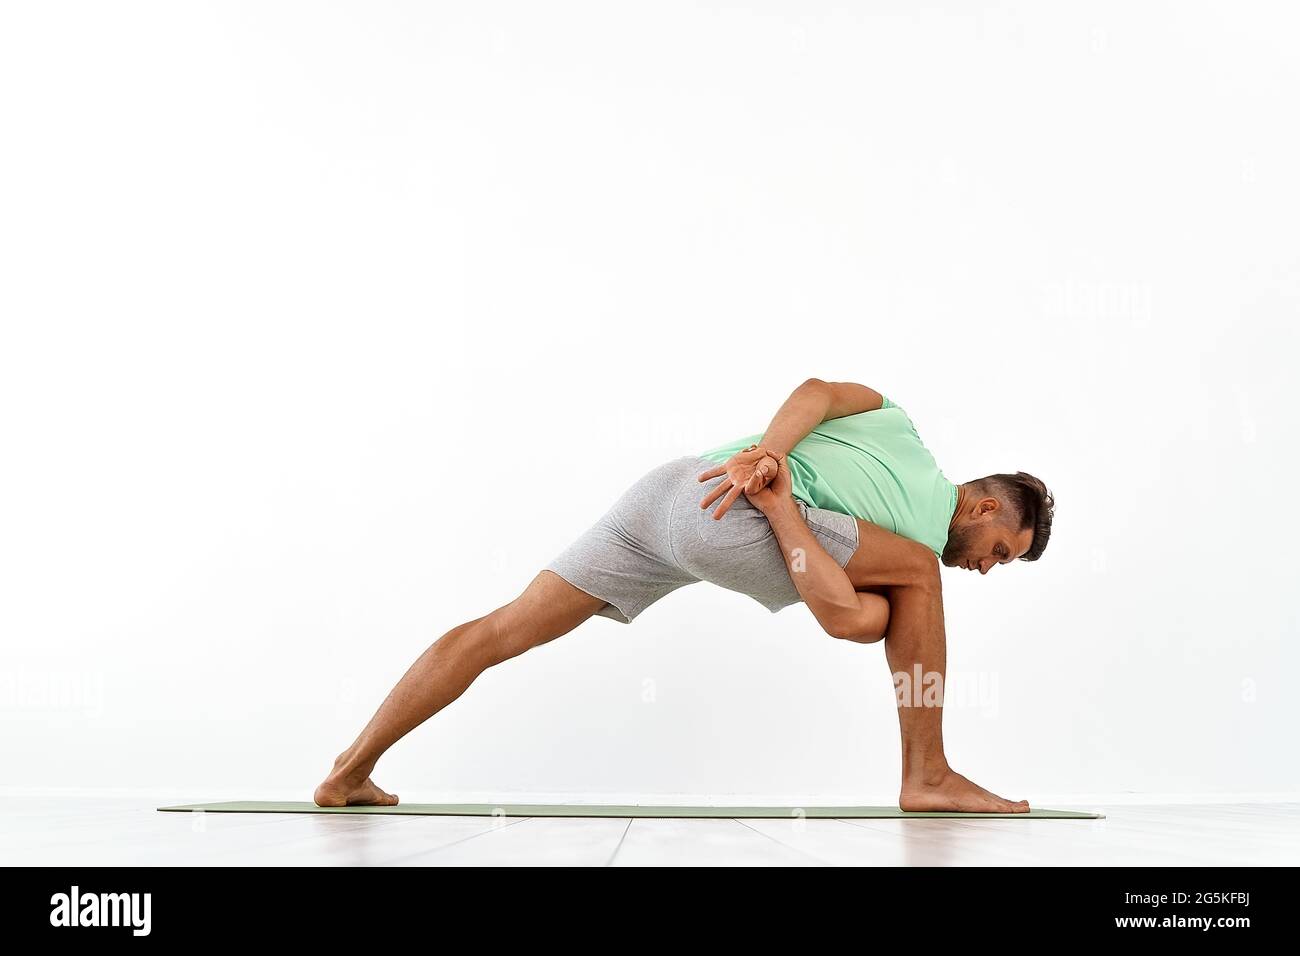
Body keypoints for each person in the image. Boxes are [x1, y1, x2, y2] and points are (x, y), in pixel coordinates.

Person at [313, 379, 1054, 812]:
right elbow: (839, 613)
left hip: (674, 489)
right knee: (907, 591)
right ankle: (926, 776)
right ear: (985, 510)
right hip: (740, 510)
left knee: (504, 627)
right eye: (999, 555)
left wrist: (764, 455)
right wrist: (770, 476)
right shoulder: (919, 548)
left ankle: (349, 770)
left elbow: (818, 394)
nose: (986, 570)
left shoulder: (897, 422)